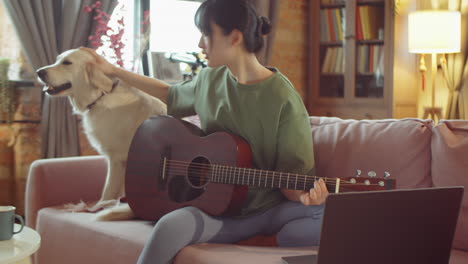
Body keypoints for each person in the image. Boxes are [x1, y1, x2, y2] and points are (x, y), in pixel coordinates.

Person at [82, 0, 329, 263]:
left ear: (234, 37)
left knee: (325, 218)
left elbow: (293, 180)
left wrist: (308, 196)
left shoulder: (283, 98)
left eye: (206, 35)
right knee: (170, 225)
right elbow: (170, 94)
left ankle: (267, 238)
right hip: (216, 210)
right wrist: (113, 71)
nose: (200, 44)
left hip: (267, 210)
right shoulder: (210, 79)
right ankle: (262, 239)